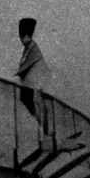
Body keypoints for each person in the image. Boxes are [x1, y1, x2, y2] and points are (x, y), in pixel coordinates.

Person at [16, 17, 53, 151]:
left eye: (23, 36)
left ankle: (41, 142)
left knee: (36, 113)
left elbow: (24, 68)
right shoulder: (27, 49)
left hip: (32, 87)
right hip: (29, 87)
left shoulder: (33, 49)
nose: (21, 39)